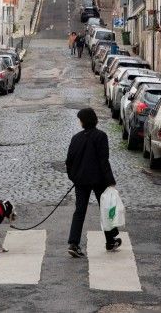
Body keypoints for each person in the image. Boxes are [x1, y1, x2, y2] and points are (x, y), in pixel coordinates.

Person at [65, 107, 121, 257]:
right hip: (98, 180)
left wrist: (74, 177)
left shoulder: (76, 138)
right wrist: (110, 181)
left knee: (79, 211)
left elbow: (69, 161)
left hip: (81, 181)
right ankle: (110, 241)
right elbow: (104, 161)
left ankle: (73, 243)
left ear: (84, 121)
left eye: (80, 119)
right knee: (105, 210)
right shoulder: (101, 136)